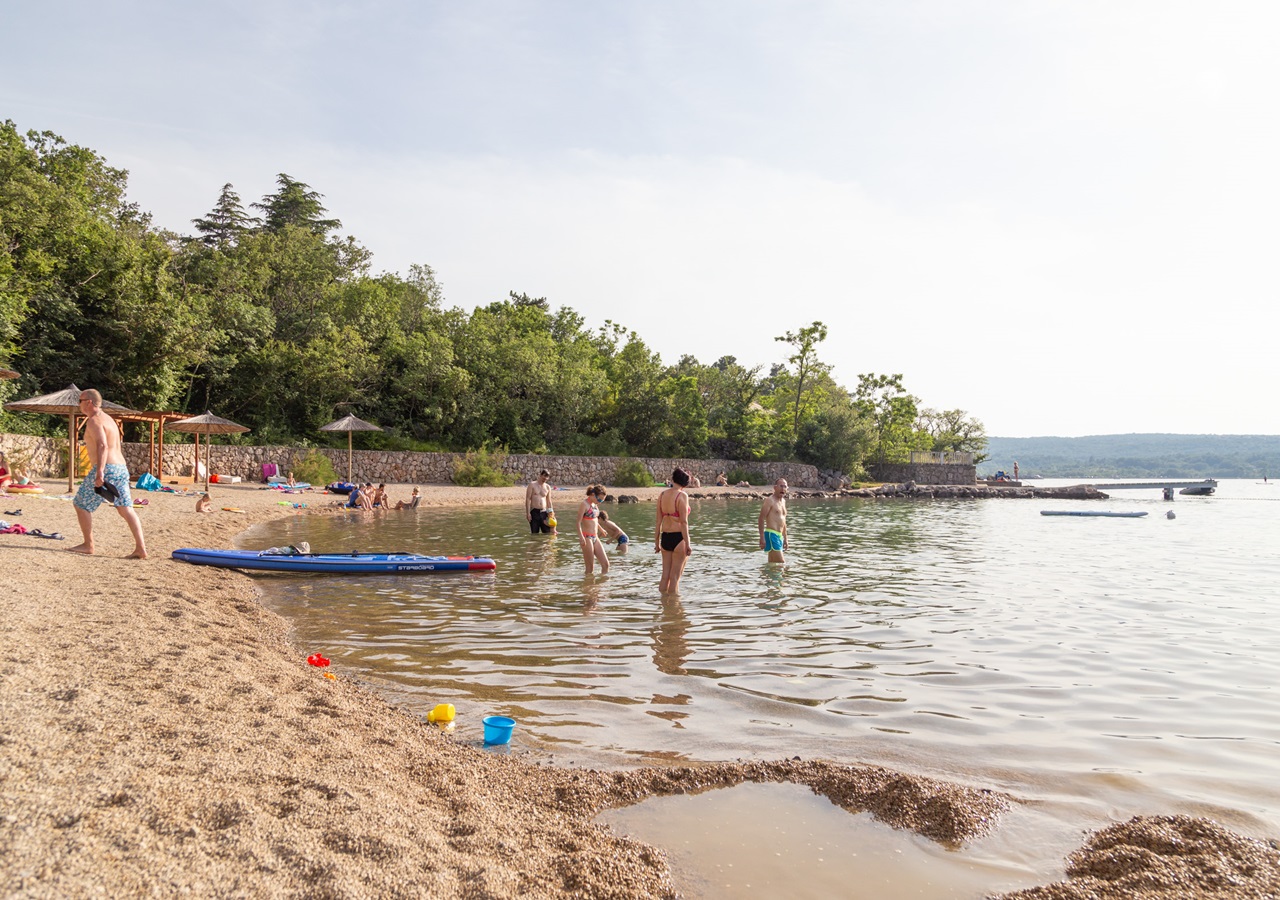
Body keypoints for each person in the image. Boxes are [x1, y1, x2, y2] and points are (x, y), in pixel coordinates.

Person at [70, 389, 147, 558]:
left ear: (89, 402)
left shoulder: (94, 420)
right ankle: (141, 548)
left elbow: (103, 446)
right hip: (120, 468)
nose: (79, 404)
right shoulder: (109, 419)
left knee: (80, 504)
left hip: (107, 468)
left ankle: (88, 545)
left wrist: (99, 472)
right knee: (126, 508)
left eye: (80, 400)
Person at [655, 468, 692, 593]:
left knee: (665, 576)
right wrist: (688, 543)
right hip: (679, 538)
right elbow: (684, 522)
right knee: (675, 578)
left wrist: (656, 542)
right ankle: (673, 608)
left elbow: (658, 522)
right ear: (685, 483)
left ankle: (663, 604)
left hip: (665, 537)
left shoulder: (662, 495)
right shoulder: (682, 495)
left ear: (673, 479)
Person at [577, 484, 610, 575]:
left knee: (606, 564)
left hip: (595, 537)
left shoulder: (595, 505)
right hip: (586, 537)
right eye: (599, 499)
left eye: (602, 501)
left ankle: (600, 586)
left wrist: (601, 529)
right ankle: (587, 588)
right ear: (592, 494)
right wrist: (581, 537)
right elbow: (578, 522)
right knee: (590, 568)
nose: (599, 502)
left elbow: (594, 520)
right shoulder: (584, 504)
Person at [758, 478, 789, 563]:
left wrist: (785, 538)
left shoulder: (783, 501)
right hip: (771, 534)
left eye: (785, 486)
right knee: (781, 563)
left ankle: (765, 575)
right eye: (781, 486)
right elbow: (761, 518)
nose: (783, 488)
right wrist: (762, 537)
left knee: (773, 564)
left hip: (779, 536)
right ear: (775, 487)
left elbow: (783, 522)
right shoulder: (770, 500)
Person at [525, 469, 556, 534]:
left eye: (547, 477)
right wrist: (528, 513)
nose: (545, 478)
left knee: (547, 533)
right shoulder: (532, 485)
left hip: (544, 512)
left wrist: (551, 513)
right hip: (534, 512)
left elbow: (549, 501)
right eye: (544, 476)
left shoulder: (548, 487)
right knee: (534, 533)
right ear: (540, 475)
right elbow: (528, 499)